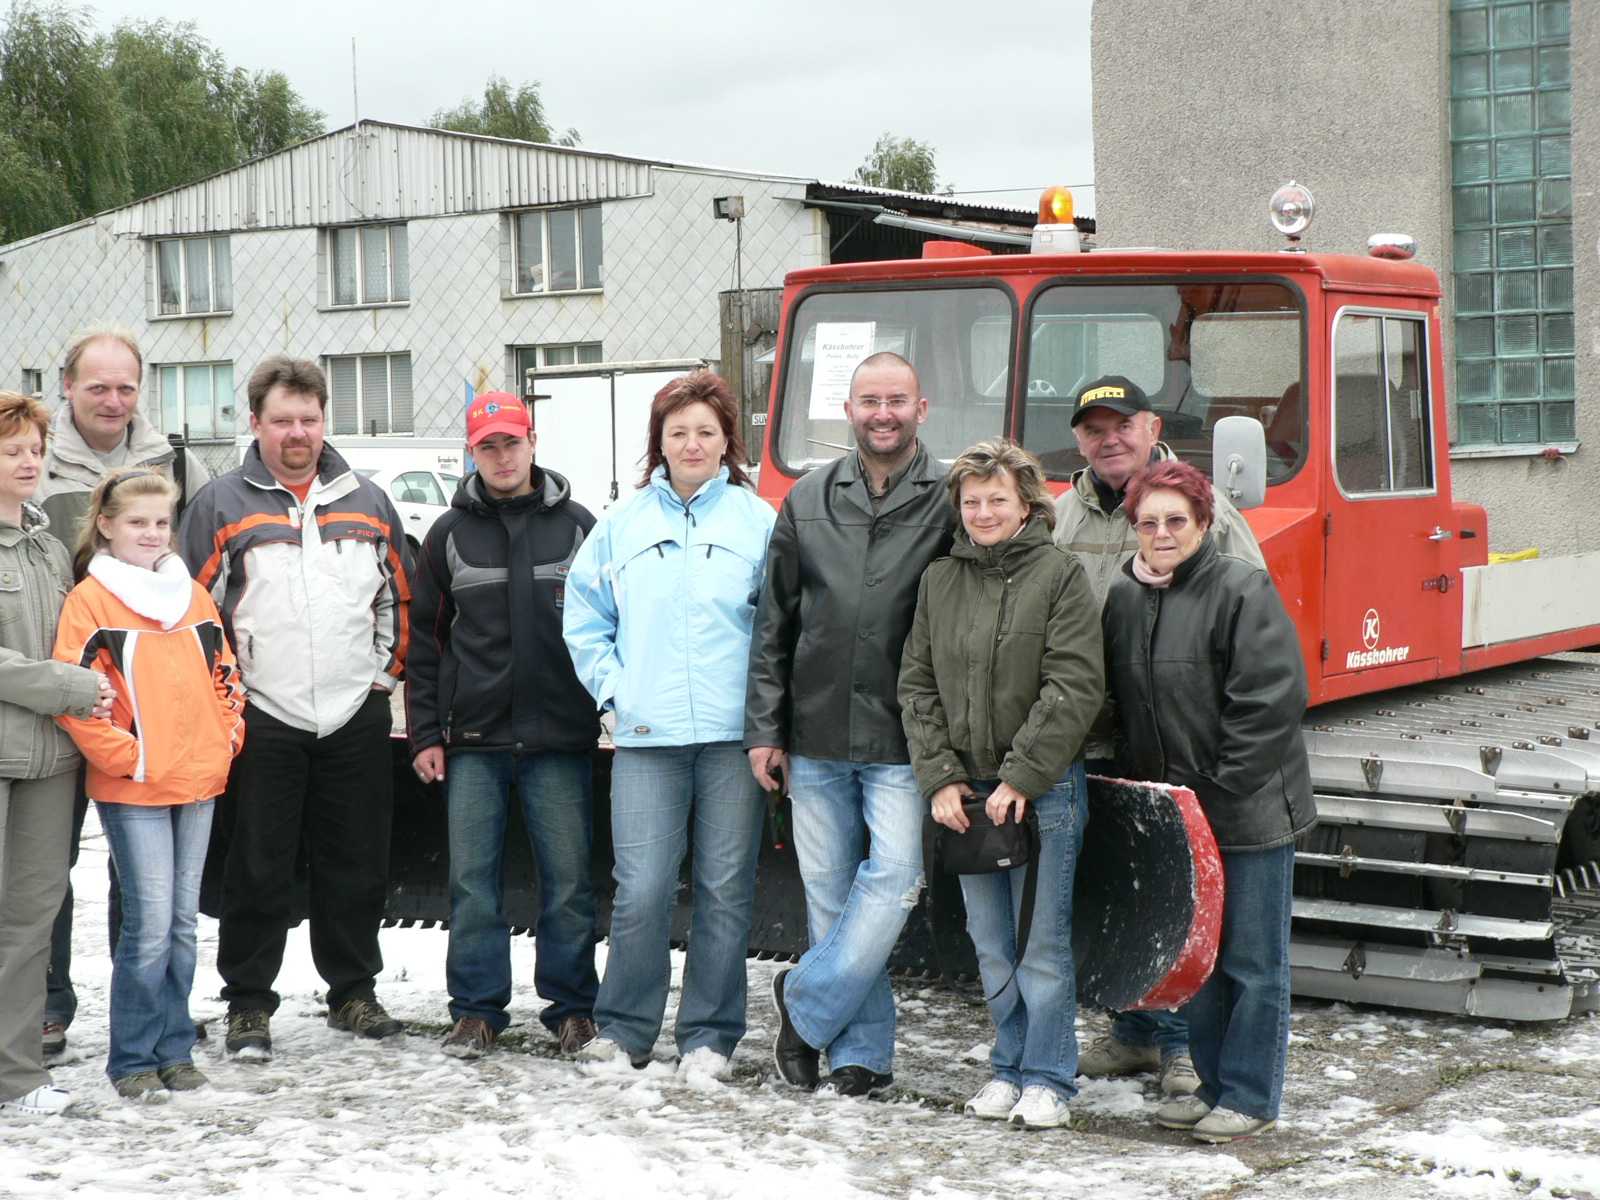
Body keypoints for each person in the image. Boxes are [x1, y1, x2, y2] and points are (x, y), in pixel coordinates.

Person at [180, 356, 412, 1060]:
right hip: (263, 718)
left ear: (323, 422)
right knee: (258, 865)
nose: (297, 433)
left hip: (353, 713)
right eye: (282, 420)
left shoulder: (367, 500)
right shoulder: (220, 504)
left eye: (308, 419)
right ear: (256, 423)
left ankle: (353, 991)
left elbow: (398, 598)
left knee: (357, 861)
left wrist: (381, 681)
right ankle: (249, 1003)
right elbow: (195, 612)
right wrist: (231, 704)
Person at [747, 351, 956, 1097]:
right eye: (869, 399)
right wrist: (764, 730)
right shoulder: (805, 501)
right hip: (814, 734)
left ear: (920, 409)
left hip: (905, 738)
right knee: (832, 901)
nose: (883, 413)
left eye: (897, 399)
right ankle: (860, 1054)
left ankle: (803, 1003)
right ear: (849, 409)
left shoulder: (951, 497)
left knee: (896, 879)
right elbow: (773, 626)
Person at [1053, 373, 1265, 1097]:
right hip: (1097, 737)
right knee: (1125, 889)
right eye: (1093, 429)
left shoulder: (1204, 510)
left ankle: (1178, 1045)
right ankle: (1136, 1034)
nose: (1108, 439)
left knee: (1179, 895)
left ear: (1150, 426)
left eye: (1121, 425)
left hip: (1177, 736)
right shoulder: (1063, 514)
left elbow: (1248, 618)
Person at [564, 372, 775, 1077]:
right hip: (647, 738)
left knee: (724, 890)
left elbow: (780, 629)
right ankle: (624, 1029)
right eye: (677, 431)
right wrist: (615, 695)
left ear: (727, 445)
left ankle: (710, 1036)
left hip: (730, 741)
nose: (691, 443)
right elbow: (586, 619)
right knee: (644, 887)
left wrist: (767, 720)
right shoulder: (622, 524)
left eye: (705, 432)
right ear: (657, 443)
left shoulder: (759, 523)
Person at [1101, 459, 1315, 1144]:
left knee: (1252, 964)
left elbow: (1270, 702)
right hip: (1178, 818)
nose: (1161, 534)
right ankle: (1213, 1087)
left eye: (1175, 521)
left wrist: (1217, 795)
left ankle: (1249, 1095)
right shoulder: (1125, 598)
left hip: (1247, 811)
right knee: (1197, 960)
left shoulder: (1240, 588)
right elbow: (1120, 704)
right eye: (1148, 522)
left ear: (1203, 523)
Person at [898, 439, 1102, 1128]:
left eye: (998, 500)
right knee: (990, 944)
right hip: (966, 797)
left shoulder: (1061, 575)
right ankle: (1008, 1066)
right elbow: (917, 684)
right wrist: (941, 778)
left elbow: (1073, 683)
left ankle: (1050, 1076)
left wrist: (1021, 774)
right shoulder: (939, 580)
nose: (984, 512)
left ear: (1026, 507)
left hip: (1041, 792)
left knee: (1040, 943)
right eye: (972, 501)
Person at [35, 326, 212, 1064]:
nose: (113, 400)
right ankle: (46, 1005)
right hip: (55, 695)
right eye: (97, 385)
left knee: (149, 893)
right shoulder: (34, 460)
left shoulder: (174, 461)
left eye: (126, 386)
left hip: (153, 708)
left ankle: (147, 1014)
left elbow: (195, 569)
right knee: (46, 868)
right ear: (68, 385)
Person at [406, 391, 602, 1058]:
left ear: (532, 441)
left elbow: (607, 626)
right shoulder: (447, 536)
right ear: (473, 452)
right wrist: (428, 734)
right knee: (472, 886)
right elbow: (426, 643)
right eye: (487, 446)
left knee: (570, 883)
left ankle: (574, 1010)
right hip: (475, 743)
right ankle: (477, 1012)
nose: (501, 456)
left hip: (560, 739)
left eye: (510, 442)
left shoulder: (578, 526)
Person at [53, 469, 245, 1100]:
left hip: (199, 782)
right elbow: (78, 698)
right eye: (137, 522)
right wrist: (130, 758)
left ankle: (175, 1049)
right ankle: (132, 1059)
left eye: (162, 522)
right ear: (105, 526)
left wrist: (226, 740)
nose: (152, 533)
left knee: (185, 923)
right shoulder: (90, 602)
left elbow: (225, 674)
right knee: (150, 924)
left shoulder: (190, 594)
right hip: (134, 787)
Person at [0, 391, 112, 1117]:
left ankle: (16, 1078)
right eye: (12, 450)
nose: (29, 461)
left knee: (32, 920)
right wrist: (69, 686)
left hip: (53, 765)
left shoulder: (48, 547)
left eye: (36, 449)